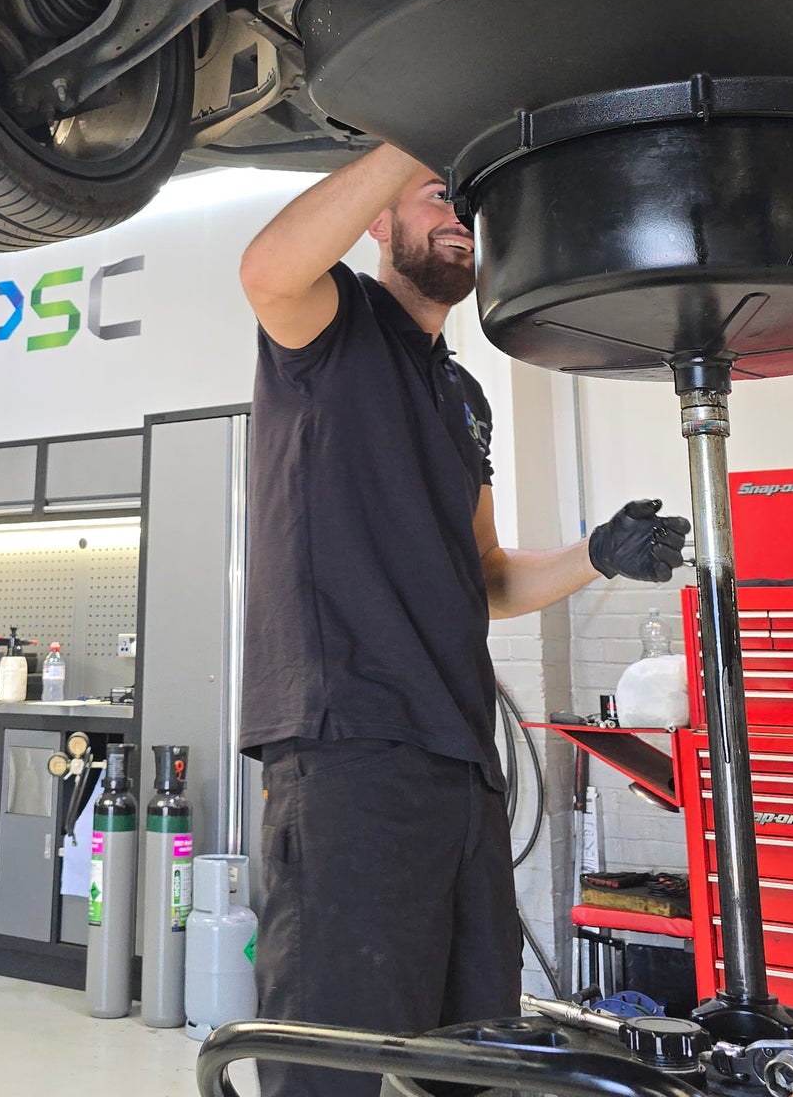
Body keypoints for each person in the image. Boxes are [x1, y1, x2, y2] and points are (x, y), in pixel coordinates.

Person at [238, 143, 690, 1097]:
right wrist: (413, 127)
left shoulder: (463, 392)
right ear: (377, 221)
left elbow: (484, 576)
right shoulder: (331, 326)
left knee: (470, 1061)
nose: (462, 220)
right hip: (351, 749)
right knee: (332, 1069)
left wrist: (594, 555)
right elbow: (266, 269)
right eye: (442, 196)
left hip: (460, 760)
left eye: (470, 208)